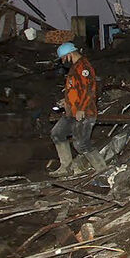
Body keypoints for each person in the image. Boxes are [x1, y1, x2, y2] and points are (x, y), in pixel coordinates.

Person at [50, 42, 106, 175]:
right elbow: (76, 90)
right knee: (57, 133)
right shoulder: (74, 68)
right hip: (72, 112)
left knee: (81, 143)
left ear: (69, 54)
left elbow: (89, 90)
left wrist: (82, 108)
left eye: (64, 58)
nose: (63, 62)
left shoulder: (83, 67)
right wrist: (67, 101)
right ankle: (66, 167)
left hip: (85, 112)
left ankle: (102, 169)